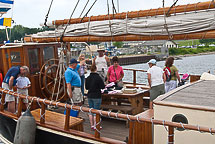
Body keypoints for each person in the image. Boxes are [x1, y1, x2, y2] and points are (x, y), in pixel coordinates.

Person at [85, 64, 105, 130]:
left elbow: (86, 87)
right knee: (96, 111)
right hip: (97, 96)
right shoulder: (98, 78)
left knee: (91, 110)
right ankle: (96, 125)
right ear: (96, 69)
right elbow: (102, 86)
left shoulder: (87, 78)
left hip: (90, 95)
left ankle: (92, 125)